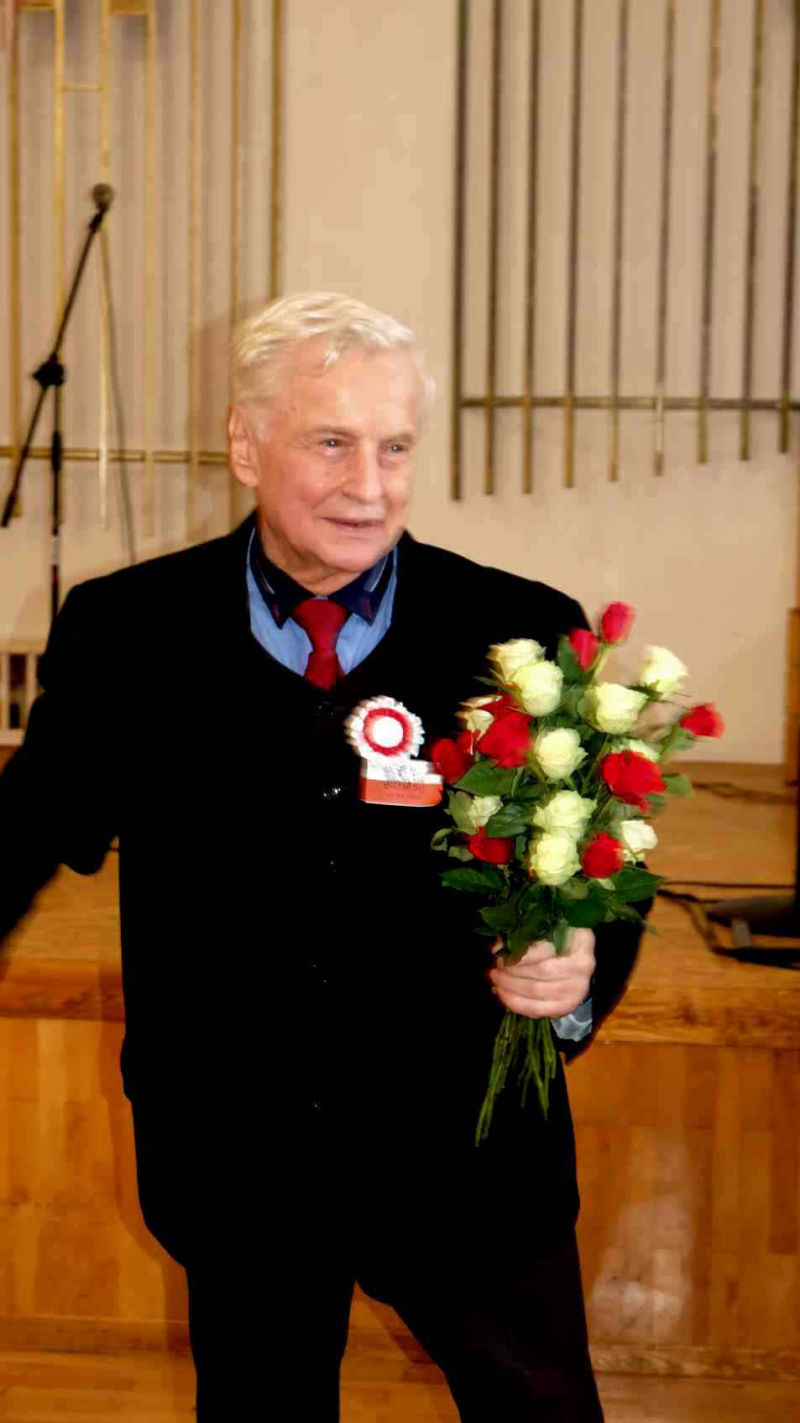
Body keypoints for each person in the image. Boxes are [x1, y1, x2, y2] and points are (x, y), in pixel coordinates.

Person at [0, 292, 646, 1421]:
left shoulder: (521, 632)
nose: (370, 485)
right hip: (237, 1151)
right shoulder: (128, 629)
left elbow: (603, 859)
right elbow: (24, 831)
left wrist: (579, 966)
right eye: (332, 442)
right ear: (245, 443)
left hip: (468, 1152)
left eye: (394, 446)